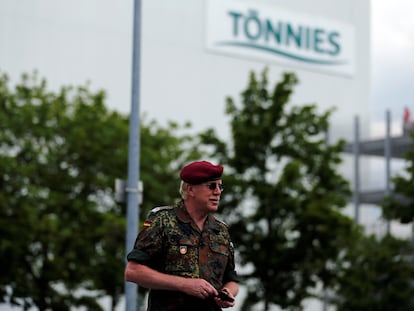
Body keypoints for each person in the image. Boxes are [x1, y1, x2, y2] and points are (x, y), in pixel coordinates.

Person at [125, 160, 239, 311]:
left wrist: (227, 293)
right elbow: (133, 272)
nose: (218, 192)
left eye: (220, 186)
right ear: (190, 189)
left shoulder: (221, 231)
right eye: (211, 186)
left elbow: (232, 280)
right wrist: (184, 284)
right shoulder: (163, 221)